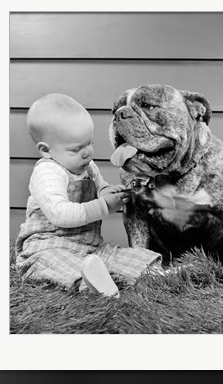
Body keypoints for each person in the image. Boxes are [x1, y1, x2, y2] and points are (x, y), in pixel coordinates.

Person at [15, 93, 162, 297]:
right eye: (76, 149)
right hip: (49, 246)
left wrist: (107, 192)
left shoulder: (88, 167)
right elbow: (60, 214)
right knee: (54, 265)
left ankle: (156, 273)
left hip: (89, 247)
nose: (87, 153)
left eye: (89, 143)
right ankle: (91, 285)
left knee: (121, 256)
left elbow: (99, 186)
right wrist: (104, 206)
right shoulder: (48, 172)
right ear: (46, 150)